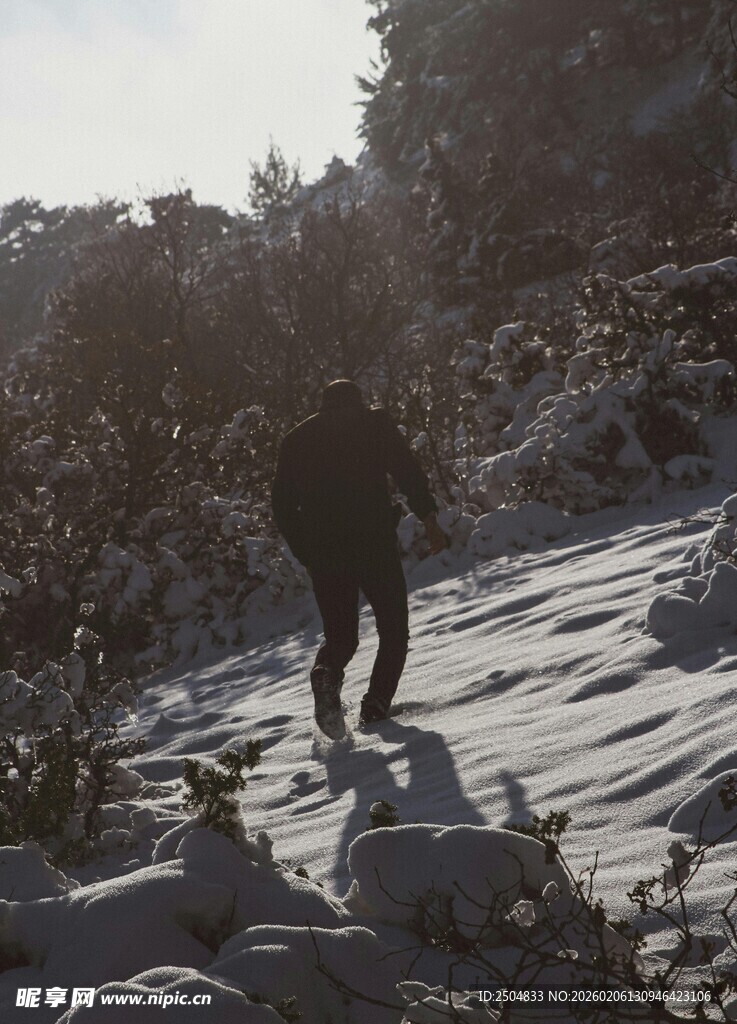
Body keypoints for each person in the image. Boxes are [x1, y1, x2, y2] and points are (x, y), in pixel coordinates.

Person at [271, 379, 446, 734]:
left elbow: (283, 507)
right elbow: (407, 471)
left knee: (341, 637)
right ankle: (376, 707)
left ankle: (326, 673)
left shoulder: (295, 440)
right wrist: (428, 517)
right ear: (358, 401)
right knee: (394, 630)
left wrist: (306, 553)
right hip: (373, 542)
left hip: (325, 552)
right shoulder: (375, 423)